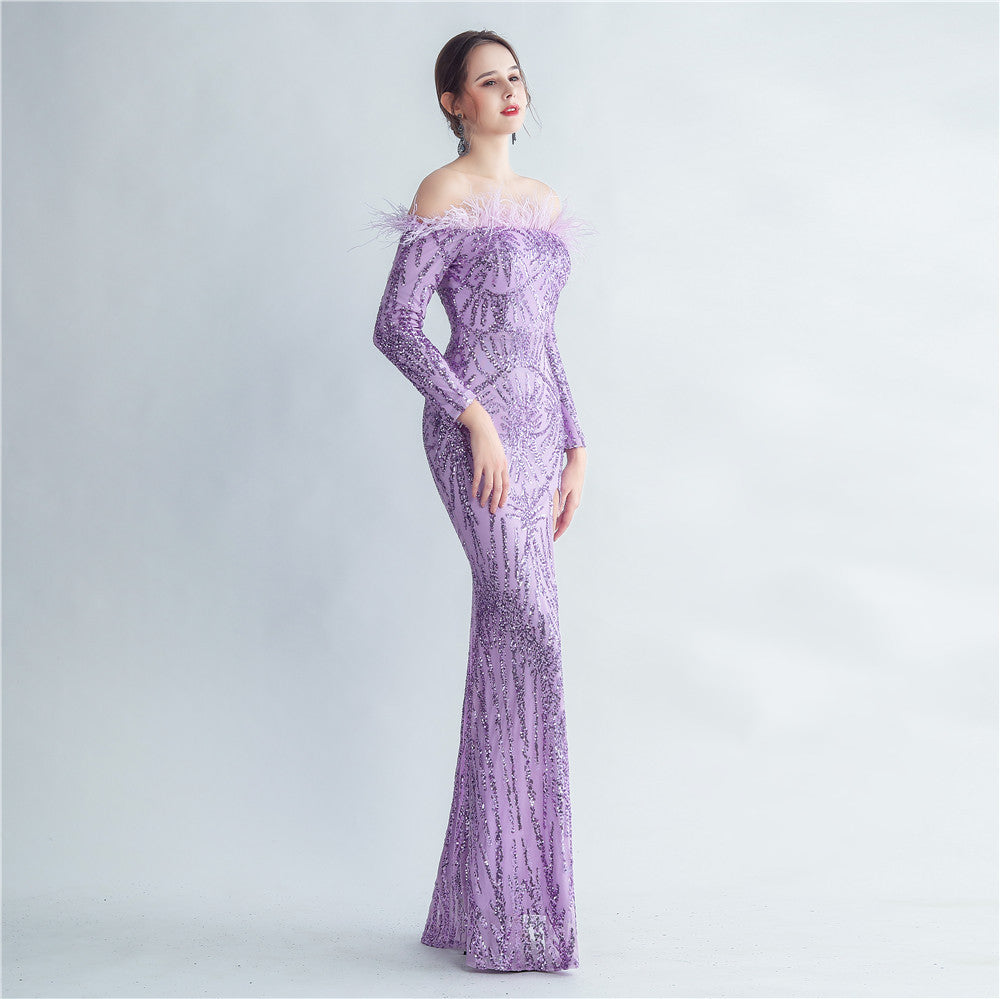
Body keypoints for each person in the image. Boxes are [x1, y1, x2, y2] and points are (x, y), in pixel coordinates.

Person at [367, 29, 590, 973]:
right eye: (487, 82)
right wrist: (474, 419)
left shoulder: (545, 202)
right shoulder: (443, 192)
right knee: (530, 627)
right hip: (476, 440)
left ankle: (496, 907)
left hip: (541, 443)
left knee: (508, 643)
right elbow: (396, 326)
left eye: (515, 78)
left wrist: (578, 445)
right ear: (453, 102)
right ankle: (503, 899)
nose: (508, 92)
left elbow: (543, 340)